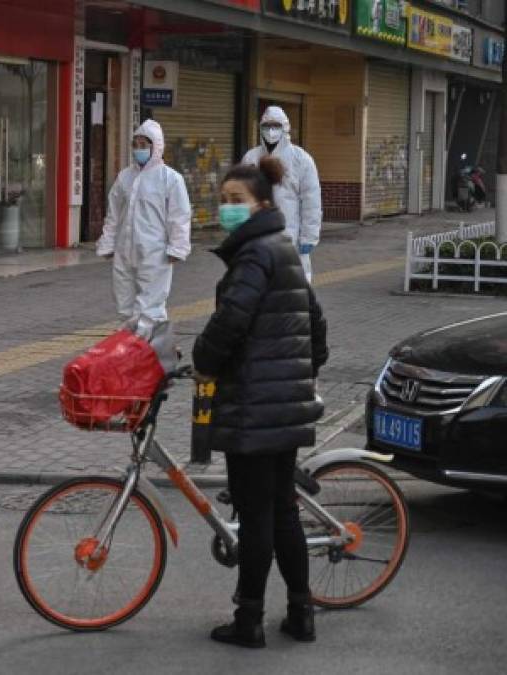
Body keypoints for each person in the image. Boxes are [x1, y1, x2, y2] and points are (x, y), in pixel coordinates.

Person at [192, 157, 329, 649]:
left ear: (262, 204)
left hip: (254, 408)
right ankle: (301, 612)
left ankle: (248, 620)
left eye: (237, 201)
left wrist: (203, 359)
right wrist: (301, 374)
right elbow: (316, 325)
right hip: (284, 405)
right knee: (283, 512)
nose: (228, 209)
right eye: (223, 201)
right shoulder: (284, 248)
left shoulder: (253, 256)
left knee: (257, 518)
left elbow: (230, 322)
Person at [96, 119, 191, 338]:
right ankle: (132, 352)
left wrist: (177, 248)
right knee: (124, 306)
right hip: (124, 250)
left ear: (156, 146)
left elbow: (179, 217)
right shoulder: (125, 177)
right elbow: (114, 214)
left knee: (150, 309)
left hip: (155, 253)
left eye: (144, 144)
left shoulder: (170, 179)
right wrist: (108, 243)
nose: (139, 149)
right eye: (135, 144)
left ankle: (149, 353)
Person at [241, 106, 322, 282]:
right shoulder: (251, 158)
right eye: (267, 126)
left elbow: (311, 201)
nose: (271, 131)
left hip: (290, 236)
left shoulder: (301, 160)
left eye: (276, 126)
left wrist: (309, 236)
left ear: (285, 128)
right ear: (260, 128)